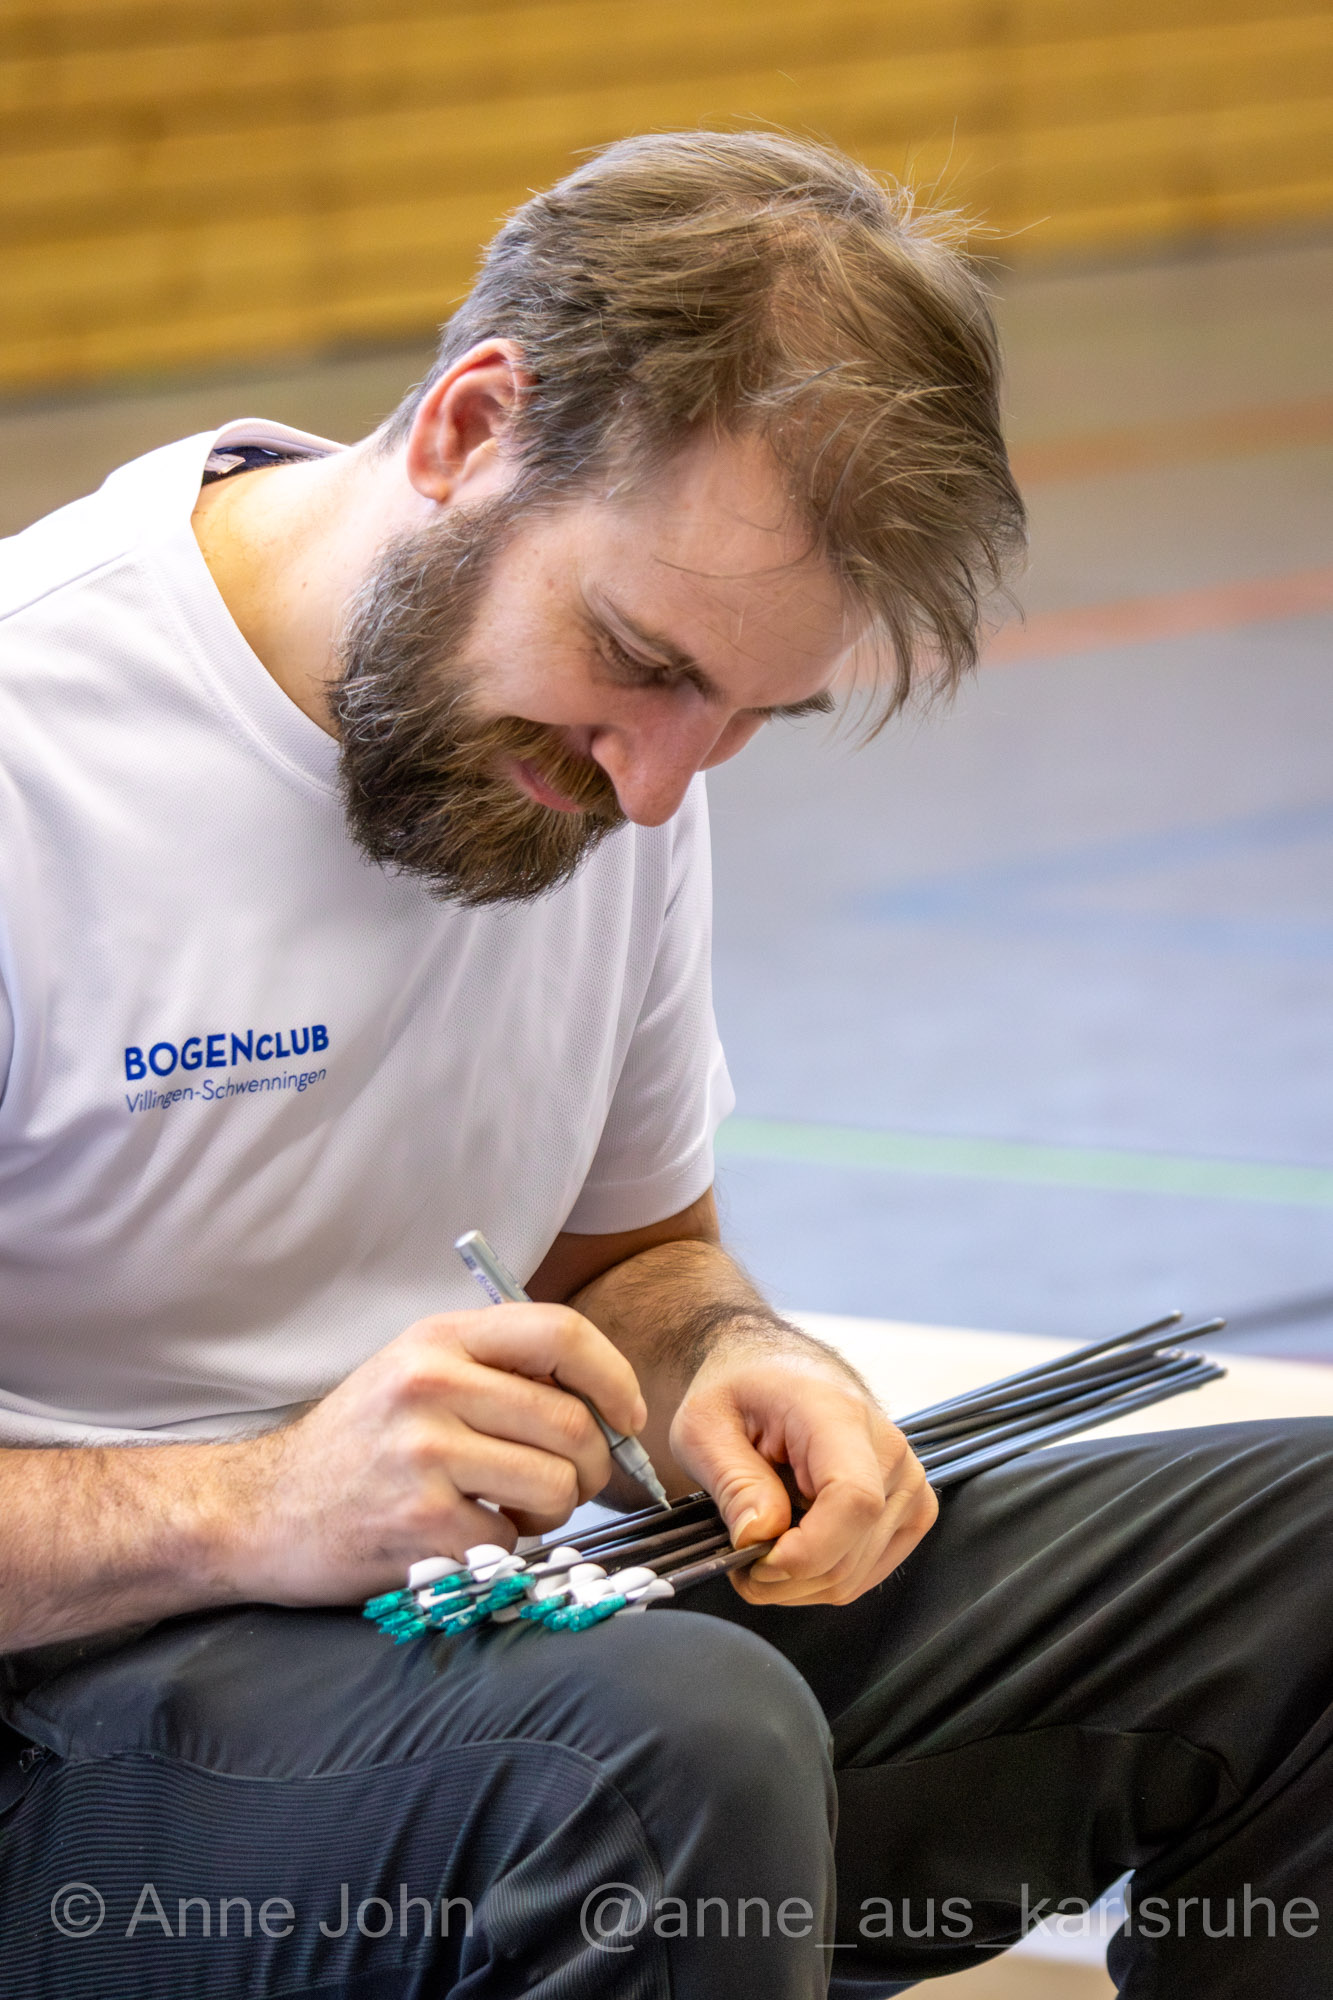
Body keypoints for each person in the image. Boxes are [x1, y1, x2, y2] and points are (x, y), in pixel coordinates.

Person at [0, 129, 1329, 2000]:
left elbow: (630, 1260)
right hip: (74, 1729)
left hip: (483, 1638)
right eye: (637, 661)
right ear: (471, 429)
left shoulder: (612, 755)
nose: (653, 788)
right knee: (660, 1750)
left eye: (747, 713)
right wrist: (251, 1506)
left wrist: (731, 1355)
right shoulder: (34, 751)